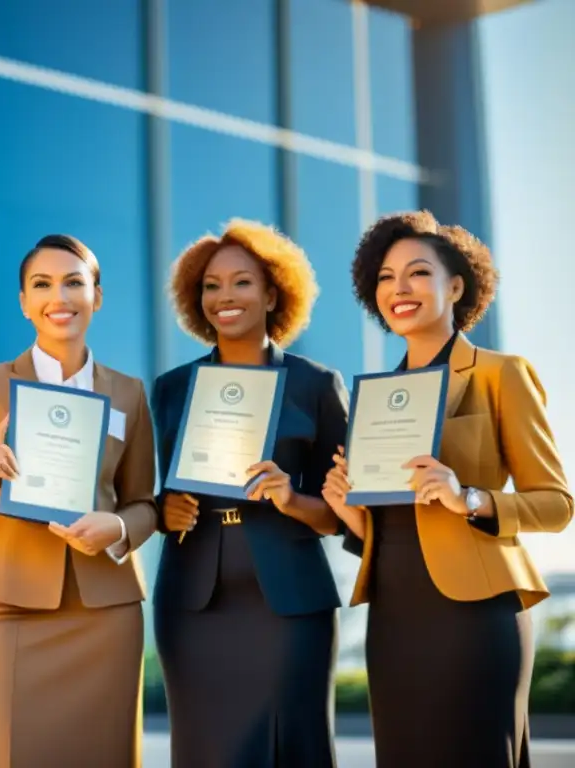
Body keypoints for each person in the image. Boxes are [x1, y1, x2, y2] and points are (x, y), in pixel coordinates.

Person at [322, 210, 574, 768]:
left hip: (475, 615)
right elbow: (382, 532)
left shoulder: (499, 374)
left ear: (456, 285)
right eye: (385, 278)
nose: (399, 289)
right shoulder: (376, 403)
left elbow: (557, 504)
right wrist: (348, 510)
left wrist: (471, 498)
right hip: (393, 615)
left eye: (417, 273)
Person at [0, 234, 157, 767]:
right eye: (41, 285)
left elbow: (144, 503)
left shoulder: (129, 393)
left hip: (104, 612)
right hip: (7, 606)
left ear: (97, 296)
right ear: (23, 301)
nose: (58, 297)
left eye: (73, 282)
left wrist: (115, 528)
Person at [151, 219, 347, 767]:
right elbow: (158, 494)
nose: (224, 297)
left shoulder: (316, 383)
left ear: (272, 292)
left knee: (293, 748)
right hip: (193, 603)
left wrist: (292, 499)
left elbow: (342, 516)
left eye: (241, 282)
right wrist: (165, 510)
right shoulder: (171, 388)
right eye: (211, 286)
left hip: (288, 604)